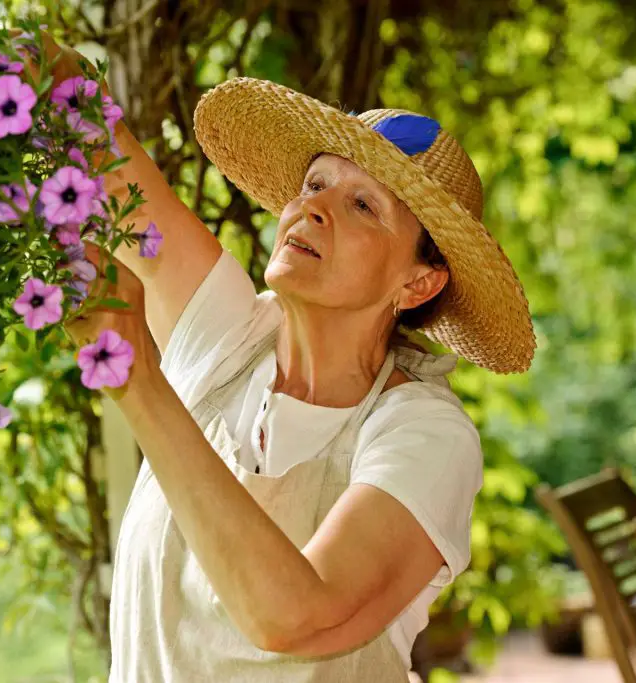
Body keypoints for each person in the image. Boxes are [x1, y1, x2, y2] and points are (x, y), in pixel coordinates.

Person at [63, 70, 536, 680]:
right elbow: (92, 148)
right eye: (314, 184)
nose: (313, 207)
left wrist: (137, 382)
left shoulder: (425, 434)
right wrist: (27, 66)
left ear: (418, 282)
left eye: (362, 205)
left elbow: (298, 616)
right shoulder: (224, 335)